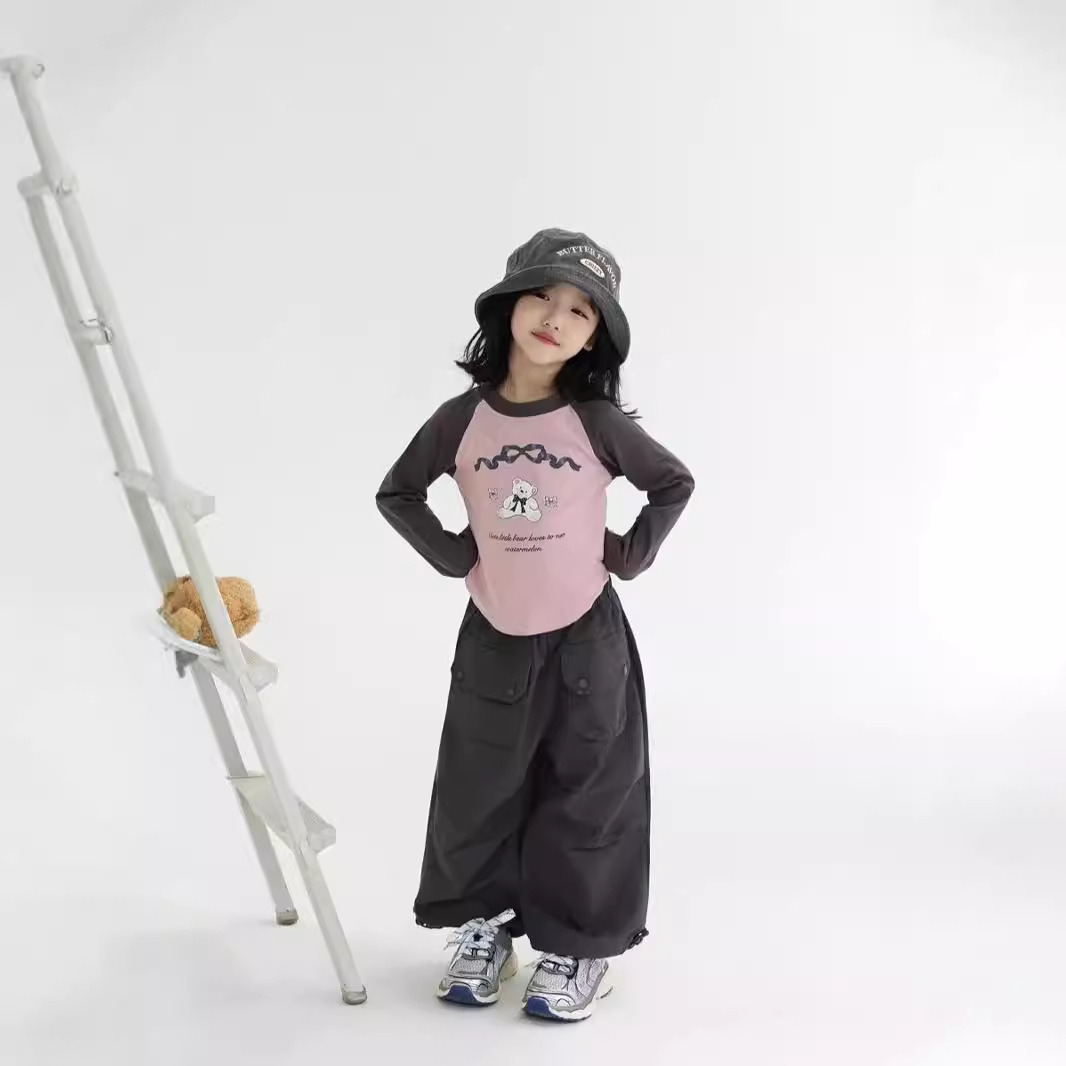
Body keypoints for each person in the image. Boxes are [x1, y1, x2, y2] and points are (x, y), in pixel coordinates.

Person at [375, 228, 694, 1022]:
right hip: (493, 633)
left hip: (587, 638)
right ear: (508, 307)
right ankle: (485, 929)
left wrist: (628, 553)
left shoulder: (595, 421)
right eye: (543, 297)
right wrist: (455, 556)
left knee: (588, 789)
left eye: (580, 311)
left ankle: (578, 946)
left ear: (595, 337)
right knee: (478, 785)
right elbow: (398, 492)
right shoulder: (461, 420)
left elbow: (671, 483)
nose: (556, 318)